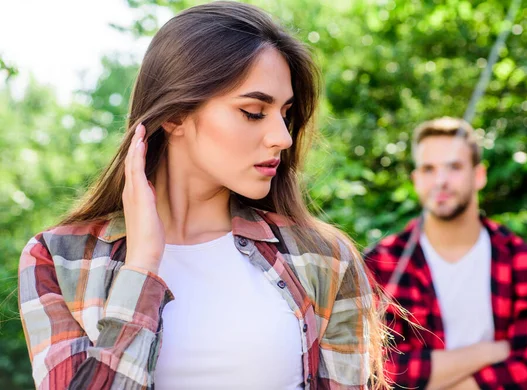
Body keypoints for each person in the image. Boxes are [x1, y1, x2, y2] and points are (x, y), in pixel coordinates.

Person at [18, 2, 389, 389]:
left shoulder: (324, 258)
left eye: (285, 113)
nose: (283, 137)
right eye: (253, 111)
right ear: (175, 115)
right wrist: (142, 267)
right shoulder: (58, 259)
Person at [365, 117, 527, 390]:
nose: (440, 181)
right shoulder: (382, 263)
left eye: (453, 167)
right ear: (416, 180)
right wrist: (488, 352)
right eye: (429, 169)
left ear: (479, 175)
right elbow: (380, 369)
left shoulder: (524, 263)